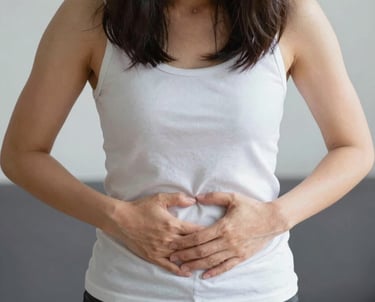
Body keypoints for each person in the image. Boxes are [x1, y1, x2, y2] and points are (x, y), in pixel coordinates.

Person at [1, 0, 373, 301]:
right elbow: (21, 152)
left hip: (258, 289)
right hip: (127, 290)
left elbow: (354, 147)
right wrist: (117, 216)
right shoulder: (90, 13)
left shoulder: (292, 13)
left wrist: (274, 218)